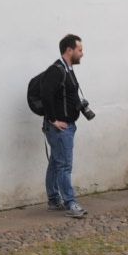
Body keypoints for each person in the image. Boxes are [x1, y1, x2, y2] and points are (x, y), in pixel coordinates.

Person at [37, 34, 89, 219]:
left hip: (65, 126)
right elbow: (46, 94)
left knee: (56, 163)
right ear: (69, 50)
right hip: (60, 128)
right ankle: (70, 203)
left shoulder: (67, 69)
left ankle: (53, 199)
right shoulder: (56, 70)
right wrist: (52, 119)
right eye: (80, 50)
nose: (82, 54)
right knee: (64, 166)